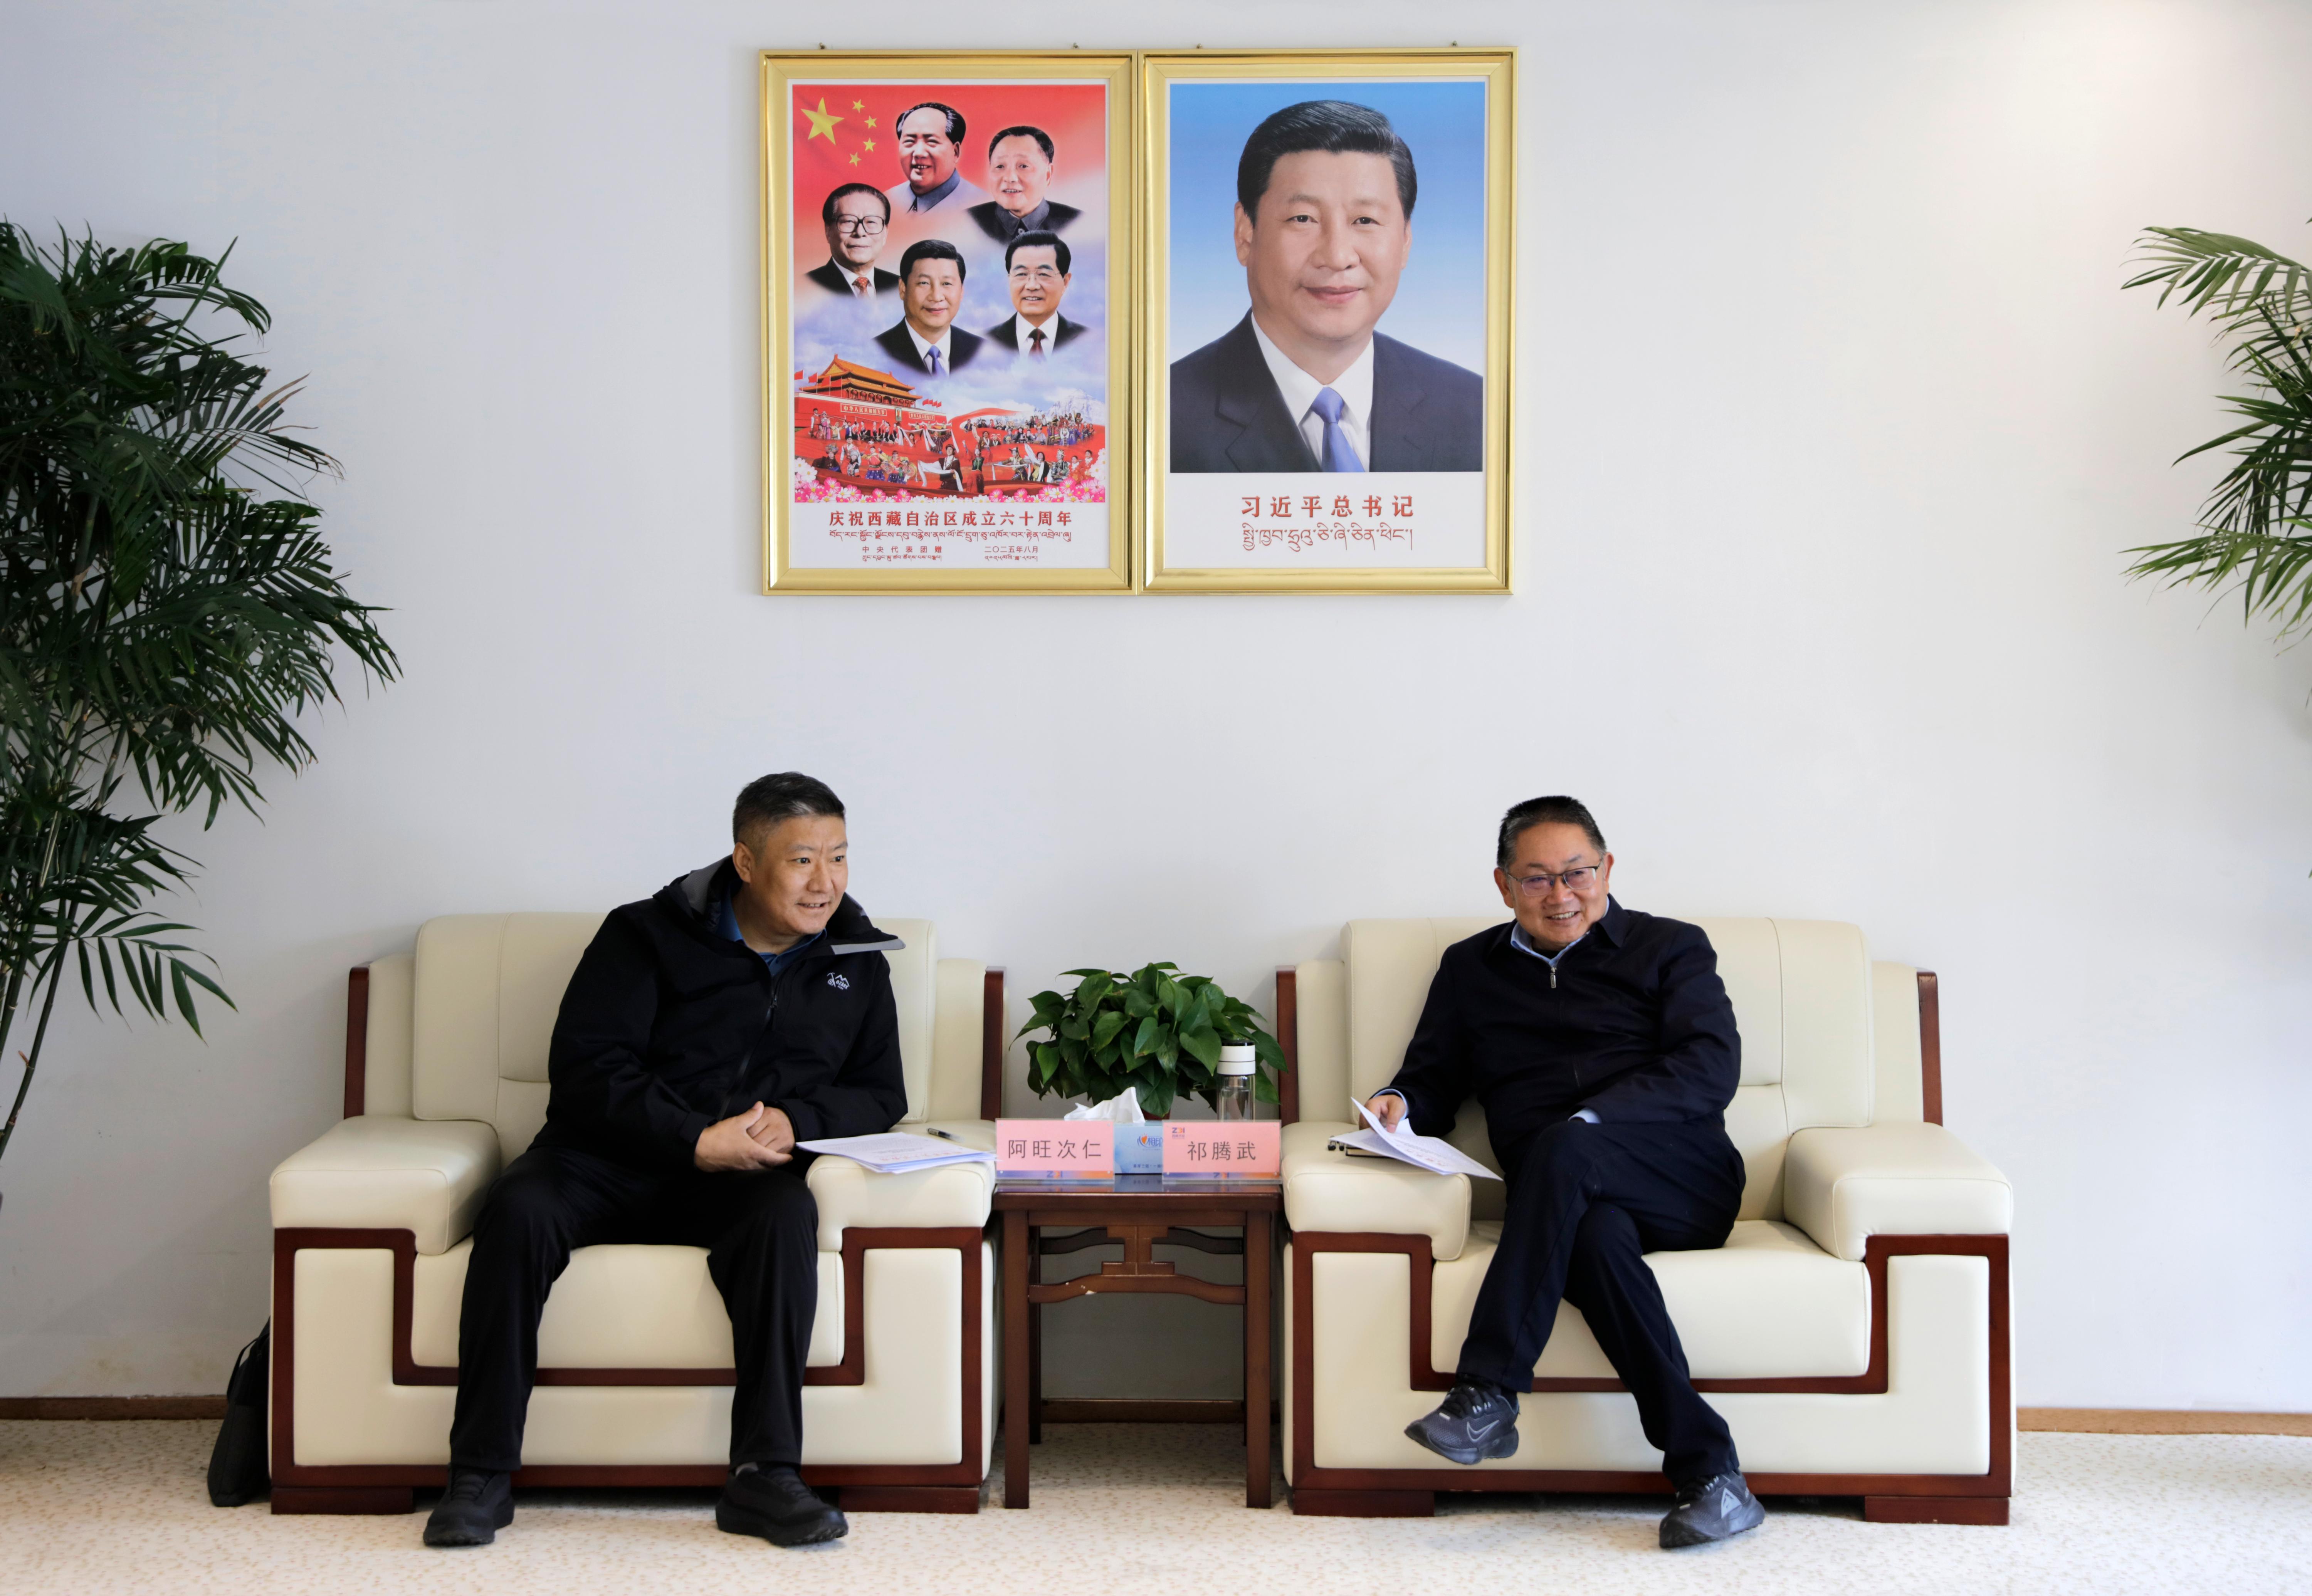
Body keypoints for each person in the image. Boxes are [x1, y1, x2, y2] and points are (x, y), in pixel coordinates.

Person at [422, 773, 906, 1552]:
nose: (826, 882)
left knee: (786, 1213)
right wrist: (693, 1137)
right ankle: (478, 1473)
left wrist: (798, 1121)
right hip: (603, 1159)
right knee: (517, 1209)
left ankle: (765, 1474)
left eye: (840, 857)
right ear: (746, 862)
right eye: (802, 860)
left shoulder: (858, 956)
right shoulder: (643, 933)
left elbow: (880, 1092)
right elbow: (587, 1068)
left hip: (745, 1177)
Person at [1367, 796, 1767, 1552]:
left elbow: (1710, 1068)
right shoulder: (1470, 968)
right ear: (1503, 884)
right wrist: (1401, 1102)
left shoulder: (1670, 947)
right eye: (1537, 878)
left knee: (1563, 1147)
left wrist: (1591, 1122)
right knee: (1594, 1237)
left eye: (1577, 872)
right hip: (1567, 1202)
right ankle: (1714, 1476)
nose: (1561, 895)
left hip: (1682, 1178)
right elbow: (1433, 1078)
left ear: (1607, 868)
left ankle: (1487, 1389)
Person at [1169, 100, 1482, 473]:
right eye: (1303, 218)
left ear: (1405, 240)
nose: (1337, 257)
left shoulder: (1474, 410)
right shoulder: (1161, 417)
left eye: (1365, 220)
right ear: (1245, 233)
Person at [874, 240, 984, 376]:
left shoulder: (981, 350)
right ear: (903, 289)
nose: (936, 297)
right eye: (924, 283)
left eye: (947, 283)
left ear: (961, 291)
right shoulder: (876, 351)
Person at [984, 232, 1088, 360]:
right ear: (1009, 279)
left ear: (1065, 282)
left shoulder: (1089, 341)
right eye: (1021, 274)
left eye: (1044, 274)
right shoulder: (985, 342)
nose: (1032, 286)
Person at [966, 125, 1080, 242]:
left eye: (1024, 166)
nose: (1010, 178)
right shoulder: (968, 223)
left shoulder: (1077, 225)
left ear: (1048, 174)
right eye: (1000, 166)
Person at [884, 102, 986, 216]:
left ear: (956, 152)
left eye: (932, 142)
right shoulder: (885, 203)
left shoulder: (984, 207)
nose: (919, 153)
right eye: (909, 142)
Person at [804, 183, 899, 299]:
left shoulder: (901, 288)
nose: (860, 232)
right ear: (828, 231)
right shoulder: (806, 288)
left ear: (885, 233)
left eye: (871, 222)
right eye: (849, 221)